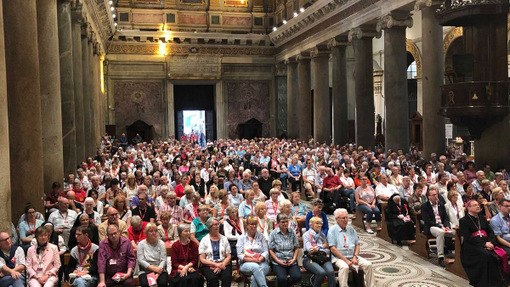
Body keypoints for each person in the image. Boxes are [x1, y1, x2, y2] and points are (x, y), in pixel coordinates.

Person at [460, 200, 509, 287]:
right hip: (472, 245)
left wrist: (491, 242)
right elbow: (468, 237)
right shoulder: (463, 220)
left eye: (478, 205)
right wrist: (484, 244)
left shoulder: (482, 218)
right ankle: (485, 282)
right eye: (475, 205)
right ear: (469, 208)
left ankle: (498, 280)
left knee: (499, 254)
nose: (478, 206)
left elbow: (491, 233)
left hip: (487, 242)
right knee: (486, 255)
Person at [328, 208, 374, 287]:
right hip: (339, 258)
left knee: (368, 265)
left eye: (346, 217)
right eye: (343, 218)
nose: (345, 220)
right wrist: (346, 261)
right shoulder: (332, 231)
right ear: (336, 219)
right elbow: (333, 249)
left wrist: (355, 257)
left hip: (353, 257)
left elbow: (357, 244)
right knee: (344, 267)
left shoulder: (351, 229)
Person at [421, 188, 454, 267]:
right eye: (433, 195)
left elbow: (446, 218)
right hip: (432, 226)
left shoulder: (441, 204)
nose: (436, 196)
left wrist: (447, 226)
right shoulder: (425, 206)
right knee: (440, 233)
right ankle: (441, 257)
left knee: (457, 230)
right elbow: (427, 220)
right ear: (429, 197)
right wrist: (440, 226)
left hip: (442, 225)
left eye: (436, 194)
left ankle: (461, 253)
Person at [268, 214, 301, 287]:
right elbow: (271, 250)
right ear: (278, 223)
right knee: (282, 278)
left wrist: (294, 259)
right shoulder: (273, 233)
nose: (285, 224)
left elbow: (296, 247)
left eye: (286, 221)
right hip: (278, 262)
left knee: (297, 277)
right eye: (283, 222)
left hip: (291, 261)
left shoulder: (292, 232)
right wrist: (278, 261)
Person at [236, 216, 270, 287]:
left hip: (261, 262)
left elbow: (266, 252)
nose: (254, 226)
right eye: (251, 224)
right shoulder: (241, 238)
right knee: (256, 267)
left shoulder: (261, 236)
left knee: (255, 277)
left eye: (255, 224)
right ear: (247, 225)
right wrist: (253, 260)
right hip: (245, 263)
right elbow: (239, 255)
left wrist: (259, 259)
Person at [302, 217, 336, 287]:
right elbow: (310, 250)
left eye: (320, 223)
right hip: (310, 259)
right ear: (311, 225)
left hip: (323, 258)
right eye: (317, 223)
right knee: (321, 273)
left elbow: (327, 249)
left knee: (331, 272)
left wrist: (318, 249)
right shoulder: (306, 235)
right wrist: (322, 247)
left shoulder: (322, 235)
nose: (319, 225)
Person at [199, 218, 232, 287]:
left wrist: (221, 265)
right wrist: (215, 265)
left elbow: (228, 256)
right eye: (215, 225)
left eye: (218, 224)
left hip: (223, 263)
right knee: (213, 278)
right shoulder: (204, 240)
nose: (218, 226)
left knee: (227, 277)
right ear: (210, 227)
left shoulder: (224, 238)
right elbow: (202, 259)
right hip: (209, 265)